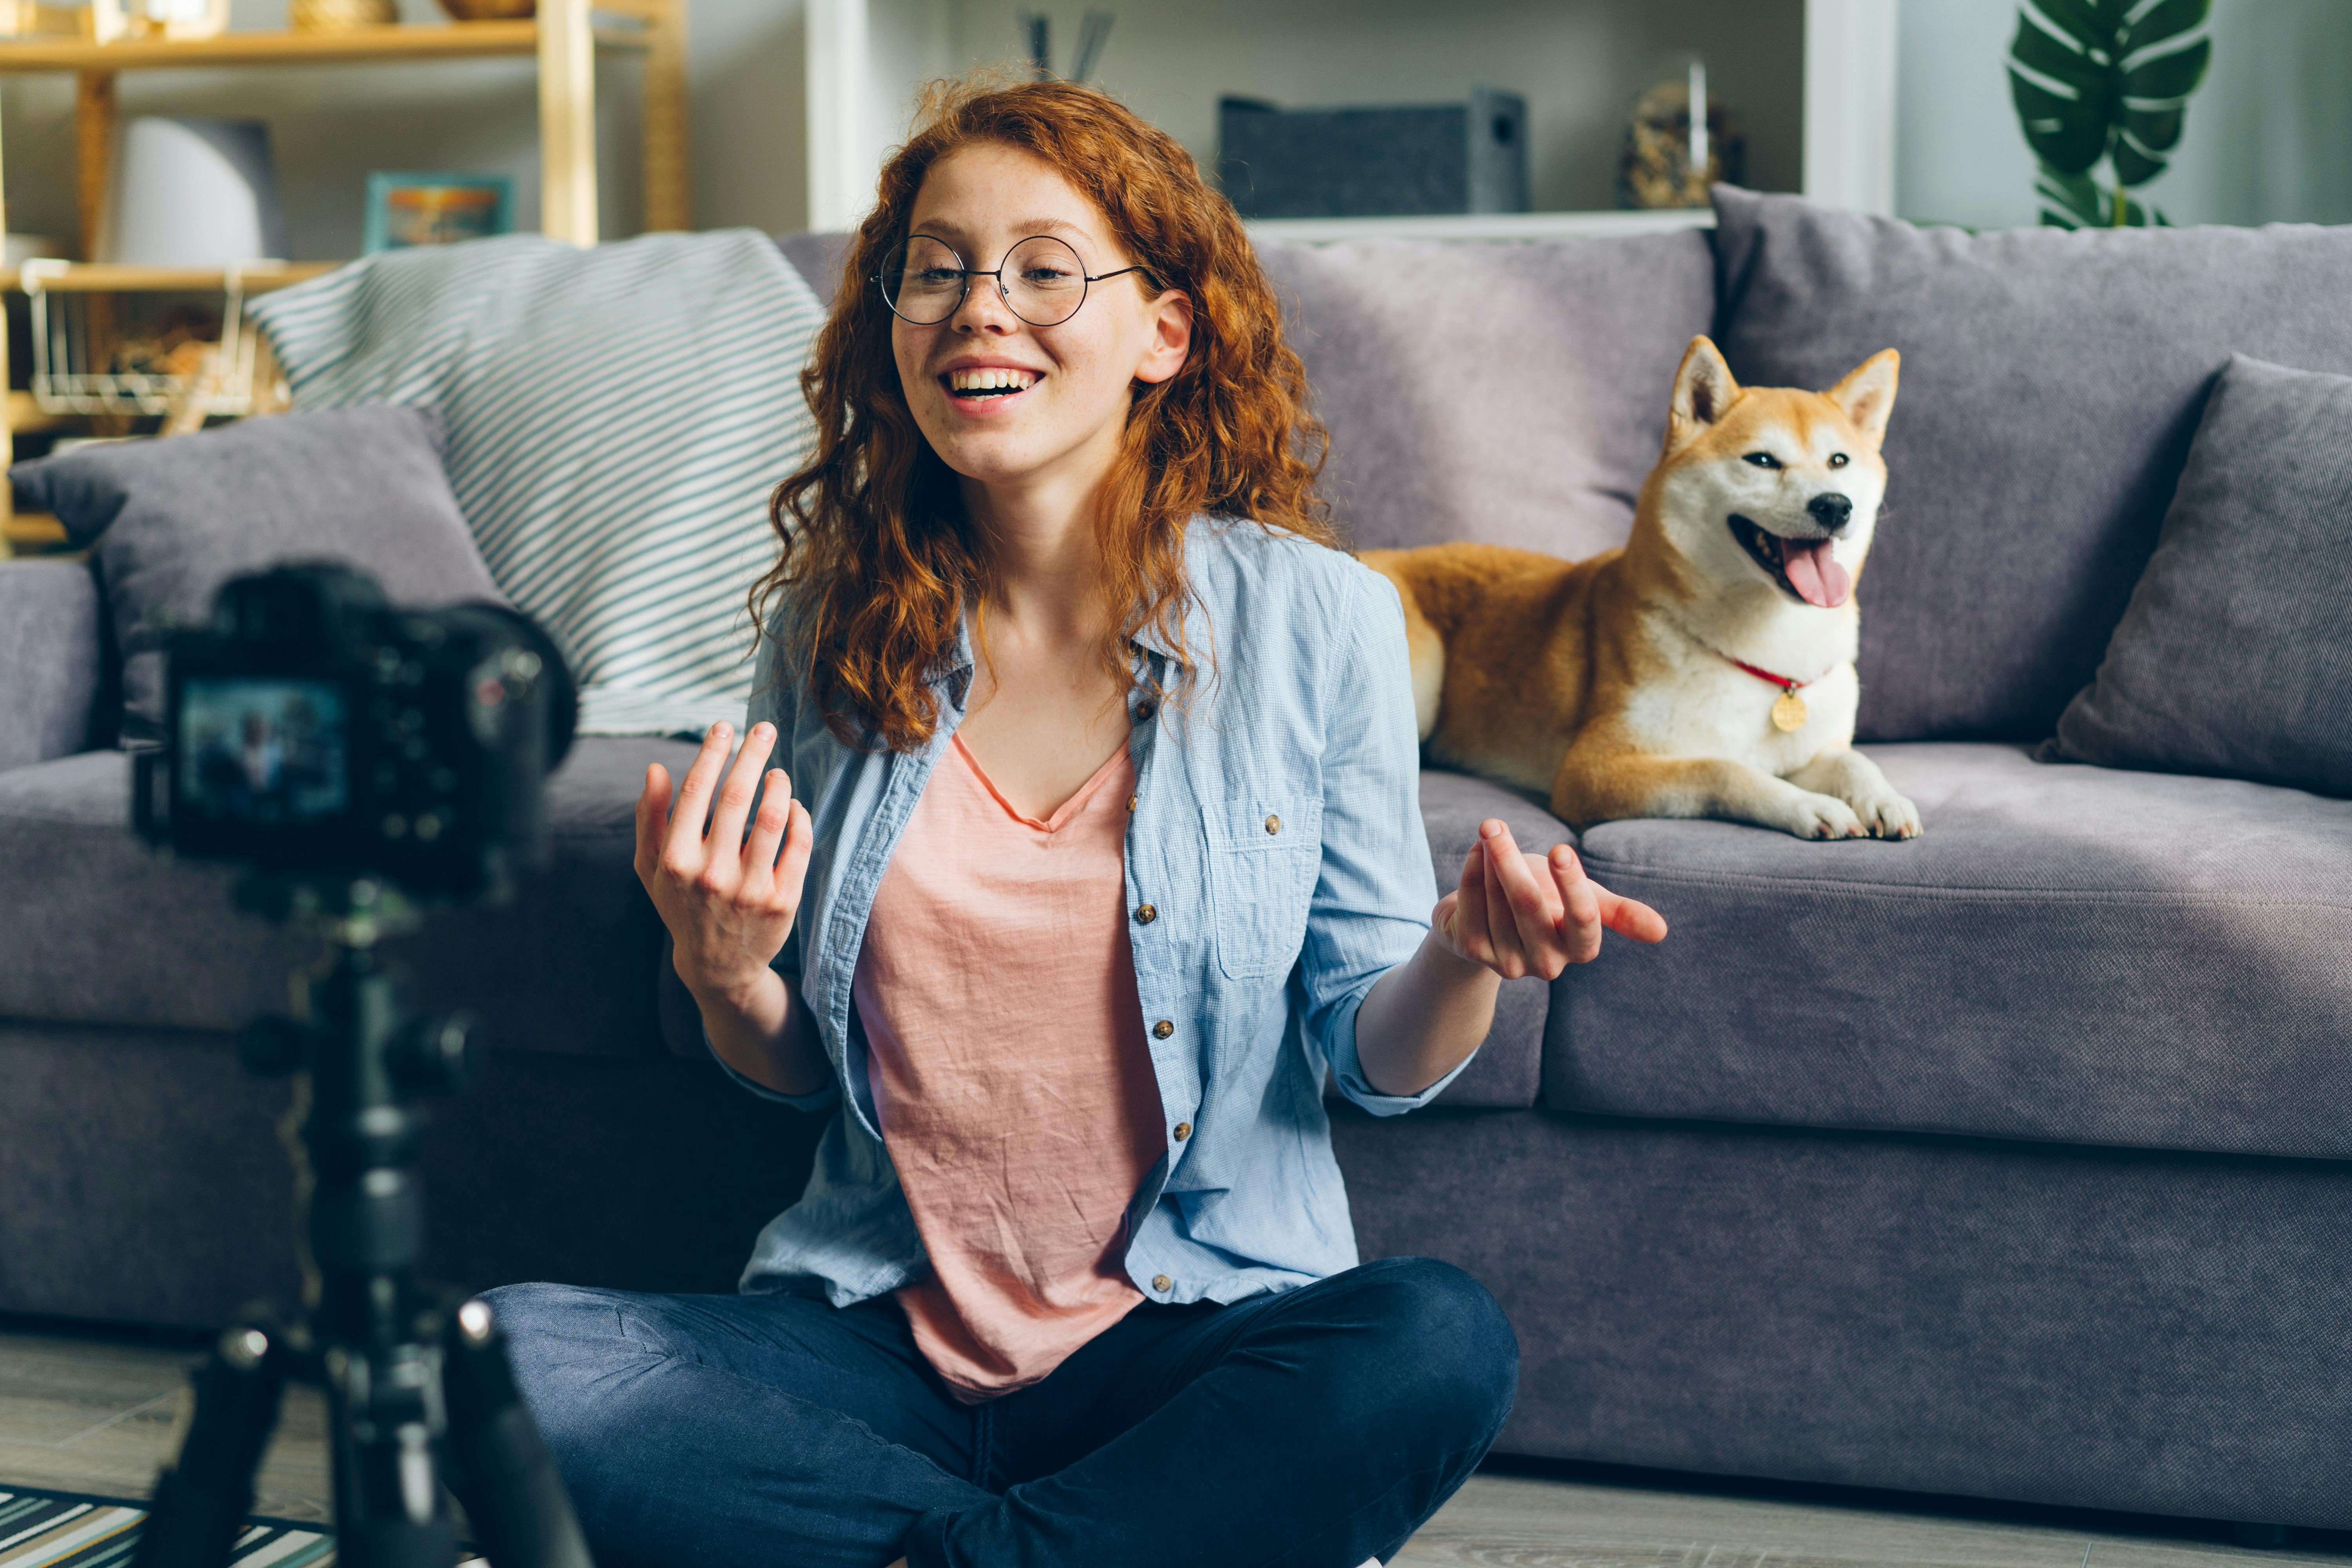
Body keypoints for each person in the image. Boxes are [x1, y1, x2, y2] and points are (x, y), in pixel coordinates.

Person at [489, 75, 1668, 1568]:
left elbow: (1368, 1061)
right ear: (893, 326)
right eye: (936, 268)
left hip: (1189, 1347)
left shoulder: (1323, 621)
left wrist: (1470, 958)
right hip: (875, 1347)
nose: (981, 307)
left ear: (1163, 334)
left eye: (1045, 269)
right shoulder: (828, 628)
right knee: (503, 1366)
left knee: (1436, 1339)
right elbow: (793, 1084)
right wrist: (725, 974)